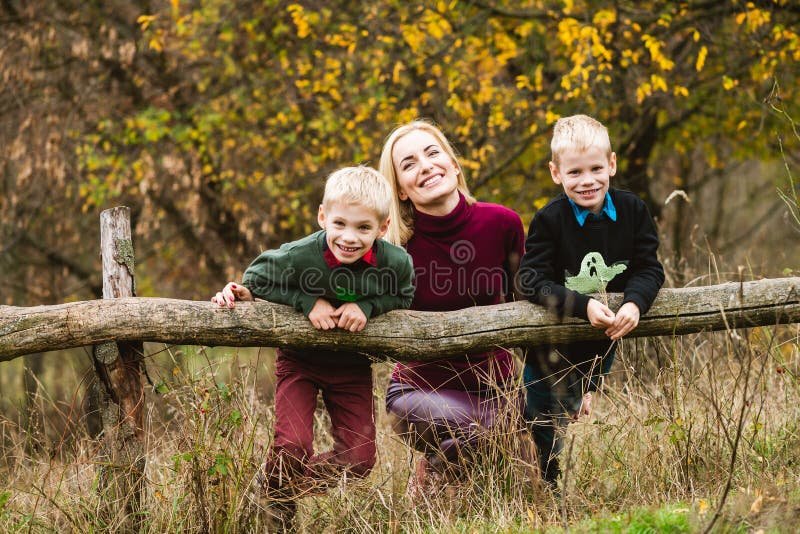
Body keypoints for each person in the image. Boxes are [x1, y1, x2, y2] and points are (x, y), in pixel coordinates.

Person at [211, 165, 414, 528]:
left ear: (382, 229)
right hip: (300, 362)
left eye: (363, 228)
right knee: (291, 447)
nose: (349, 237)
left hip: (352, 366)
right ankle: (276, 504)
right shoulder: (299, 255)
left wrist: (367, 307)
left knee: (359, 461)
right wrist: (307, 302)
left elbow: (404, 294)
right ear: (323, 217)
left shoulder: (394, 262)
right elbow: (254, 280)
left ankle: (273, 490)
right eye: (340, 224)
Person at [378, 120, 526, 491]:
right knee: (491, 433)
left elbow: (530, 308)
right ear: (399, 190)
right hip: (419, 396)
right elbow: (328, 268)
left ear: (454, 165)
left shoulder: (502, 223)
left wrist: (565, 382)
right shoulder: (392, 249)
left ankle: (437, 480)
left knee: (521, 437)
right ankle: (446, 467)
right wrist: (254, 289)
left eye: (432, 153)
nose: (425, 166)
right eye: (409, 164)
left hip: (499, 389)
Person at [517, 114, 665, 485]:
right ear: (556, 173)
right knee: (539, 415)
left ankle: (582, 399)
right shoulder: (549, 220)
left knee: (574, 403)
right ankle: (546, 484)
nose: (587, 181)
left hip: (605, 336)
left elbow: (650, 268)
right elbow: (530, 279)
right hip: (550, 341)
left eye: (596, 168)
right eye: (575, 173)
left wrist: (634, 304)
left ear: (611, 164)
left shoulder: (633, 211)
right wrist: (580, 306)